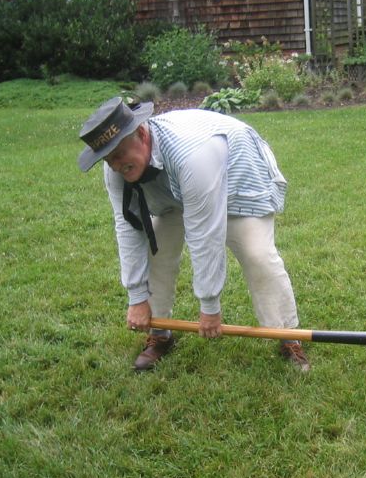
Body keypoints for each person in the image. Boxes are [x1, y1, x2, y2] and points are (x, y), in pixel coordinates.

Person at [77, 96, 309, 372]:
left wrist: (209, 305)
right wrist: (136, 297)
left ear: (140, 133)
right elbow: (128, 227)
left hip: (238, 177)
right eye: (107, 158)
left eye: (118, 154)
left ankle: (286, 335)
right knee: (157, 251)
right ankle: (160, 333)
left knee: (257, 254)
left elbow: (205, 233)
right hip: (174, 190)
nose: (115, 165)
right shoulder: (116, 169)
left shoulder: (193, 154)